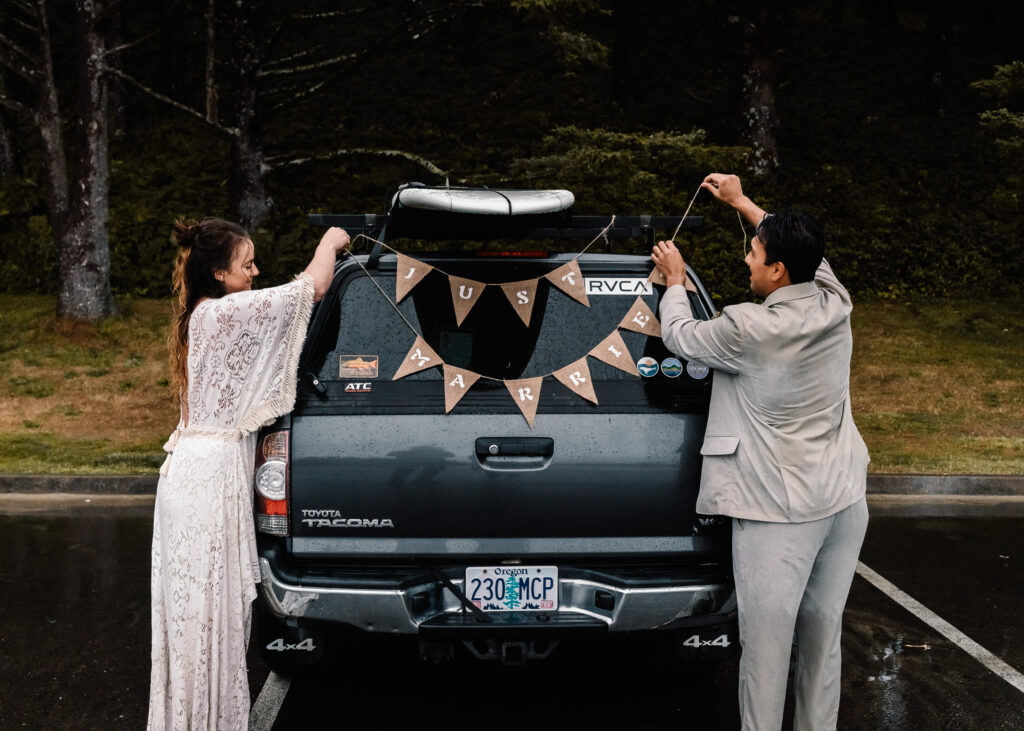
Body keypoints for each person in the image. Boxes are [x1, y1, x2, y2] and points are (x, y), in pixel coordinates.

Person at [651, 173, 870, 731]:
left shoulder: (748, 328)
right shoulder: (834, 301)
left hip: (777, 517)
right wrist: (743, 203)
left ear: (777, 270)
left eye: (753, 251)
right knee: (823, 641)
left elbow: (679, 335)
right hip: (843, 500)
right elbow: (805, 255)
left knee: (765, 657)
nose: (746, 258)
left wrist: (674, 280)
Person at [148, 219, 350, 730]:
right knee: (202, 621)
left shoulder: (207, 313)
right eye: (247, 264)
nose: (256, 271)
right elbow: (312, 288)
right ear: (218, 272)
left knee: (208, 620)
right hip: (205, 480)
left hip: (198, 473)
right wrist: (330, 239)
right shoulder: (221, 314)